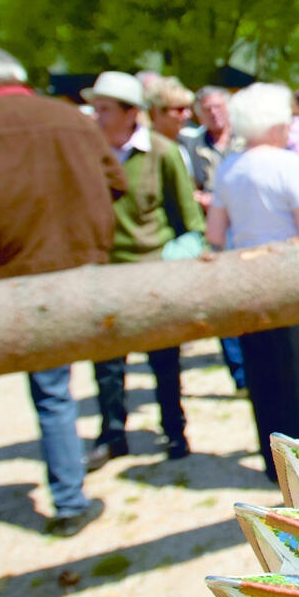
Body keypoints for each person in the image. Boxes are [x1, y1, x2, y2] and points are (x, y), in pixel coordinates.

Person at [0, 47, 121, 538]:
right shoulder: (70, 117)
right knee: (54, 393)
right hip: (58, 277)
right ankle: (70, 502)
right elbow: (115, 182)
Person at [80, 71, 204, 470]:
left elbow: (189, 222)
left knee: (164, 359)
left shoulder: (162, 153)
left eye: (104, 109)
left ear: (130, 112)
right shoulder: (87, 152)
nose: (96, 116)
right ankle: (113, 434)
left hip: (152, 274)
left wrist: (175, 260)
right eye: (95, 108)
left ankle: (174, 428)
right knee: (106, 363)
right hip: (104, 275)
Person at [206, 83, 299, 476]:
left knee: (262, 376)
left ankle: (273, 462)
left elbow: (214, 232)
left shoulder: (229, 166)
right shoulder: (288, 164)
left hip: (247, 281)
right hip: (291, 279)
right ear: (275, 122)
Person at [180, 84, 247, 391]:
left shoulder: (245, 140)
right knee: (225, 300)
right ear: (199, 113)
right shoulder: (191, 147)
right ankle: (239, 373)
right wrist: (208, 199)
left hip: (247, 226)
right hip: (215, 231)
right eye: (207, 109)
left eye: (219, 106)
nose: (214, 113)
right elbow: (188, 189)